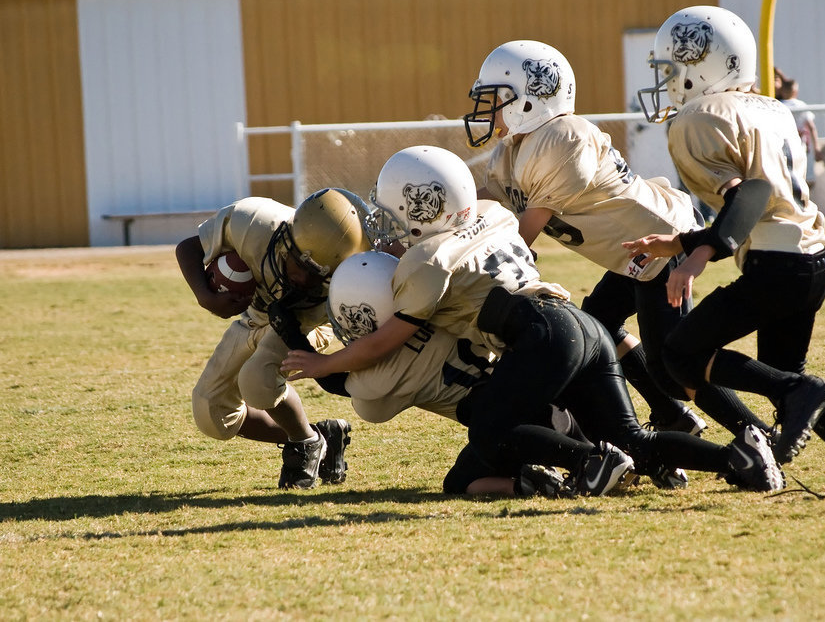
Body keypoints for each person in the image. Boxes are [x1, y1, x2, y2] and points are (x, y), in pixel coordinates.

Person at [282, 146, 784, 496]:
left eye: (395, 209)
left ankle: (589, 463)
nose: (388, 223)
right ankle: (739, 457)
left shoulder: (425, 263)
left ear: (421, 205)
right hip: (581, 325)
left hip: (541, 334)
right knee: (633, 438)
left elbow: (383, 341)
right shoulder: (492, 211)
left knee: (491, 432)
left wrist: (324, 363)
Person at [627, 5, 825, 499]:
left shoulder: (698, 117)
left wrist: (698, 255)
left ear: (702, 65)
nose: (667, 80)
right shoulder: (771, 108)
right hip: (811, 261)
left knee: (679, 352)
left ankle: (788, 413)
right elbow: (765, 203)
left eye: (672, 68)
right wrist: (680, 242)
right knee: (787, 381)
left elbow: (751, 195)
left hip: (774, 267)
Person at [463, 39, 772, 441]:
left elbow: (522, 235)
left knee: (678, 368)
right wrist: (445, 214)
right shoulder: (512, 149)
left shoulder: (563, 137)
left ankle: (756, 431)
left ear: (530, 99)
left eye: (498, 98)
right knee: (601, 322)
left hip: (663, 244)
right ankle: (672, 416)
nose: (490, 109)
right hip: (633, 252)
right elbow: (487, 206)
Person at [175, 188, 369, 489]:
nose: (304, 280)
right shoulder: (252, 223)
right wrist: (206, 298)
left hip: (307, 325)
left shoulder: (352, 280)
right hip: (256, 315)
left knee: (257, 380)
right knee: (210, 412)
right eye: (301, 265)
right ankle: (320, 437)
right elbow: (188, 248)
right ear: (288, 238)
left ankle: (304, 444)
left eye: (319, 274)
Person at [777, 78, 821, 187]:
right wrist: (816, 147)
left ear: (782, 91)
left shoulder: (778, 105)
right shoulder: (801, 105)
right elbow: (812, 127)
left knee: (786, 178)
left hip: (782, 146)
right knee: (805, 177)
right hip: (801, 146)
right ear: (795, 92)